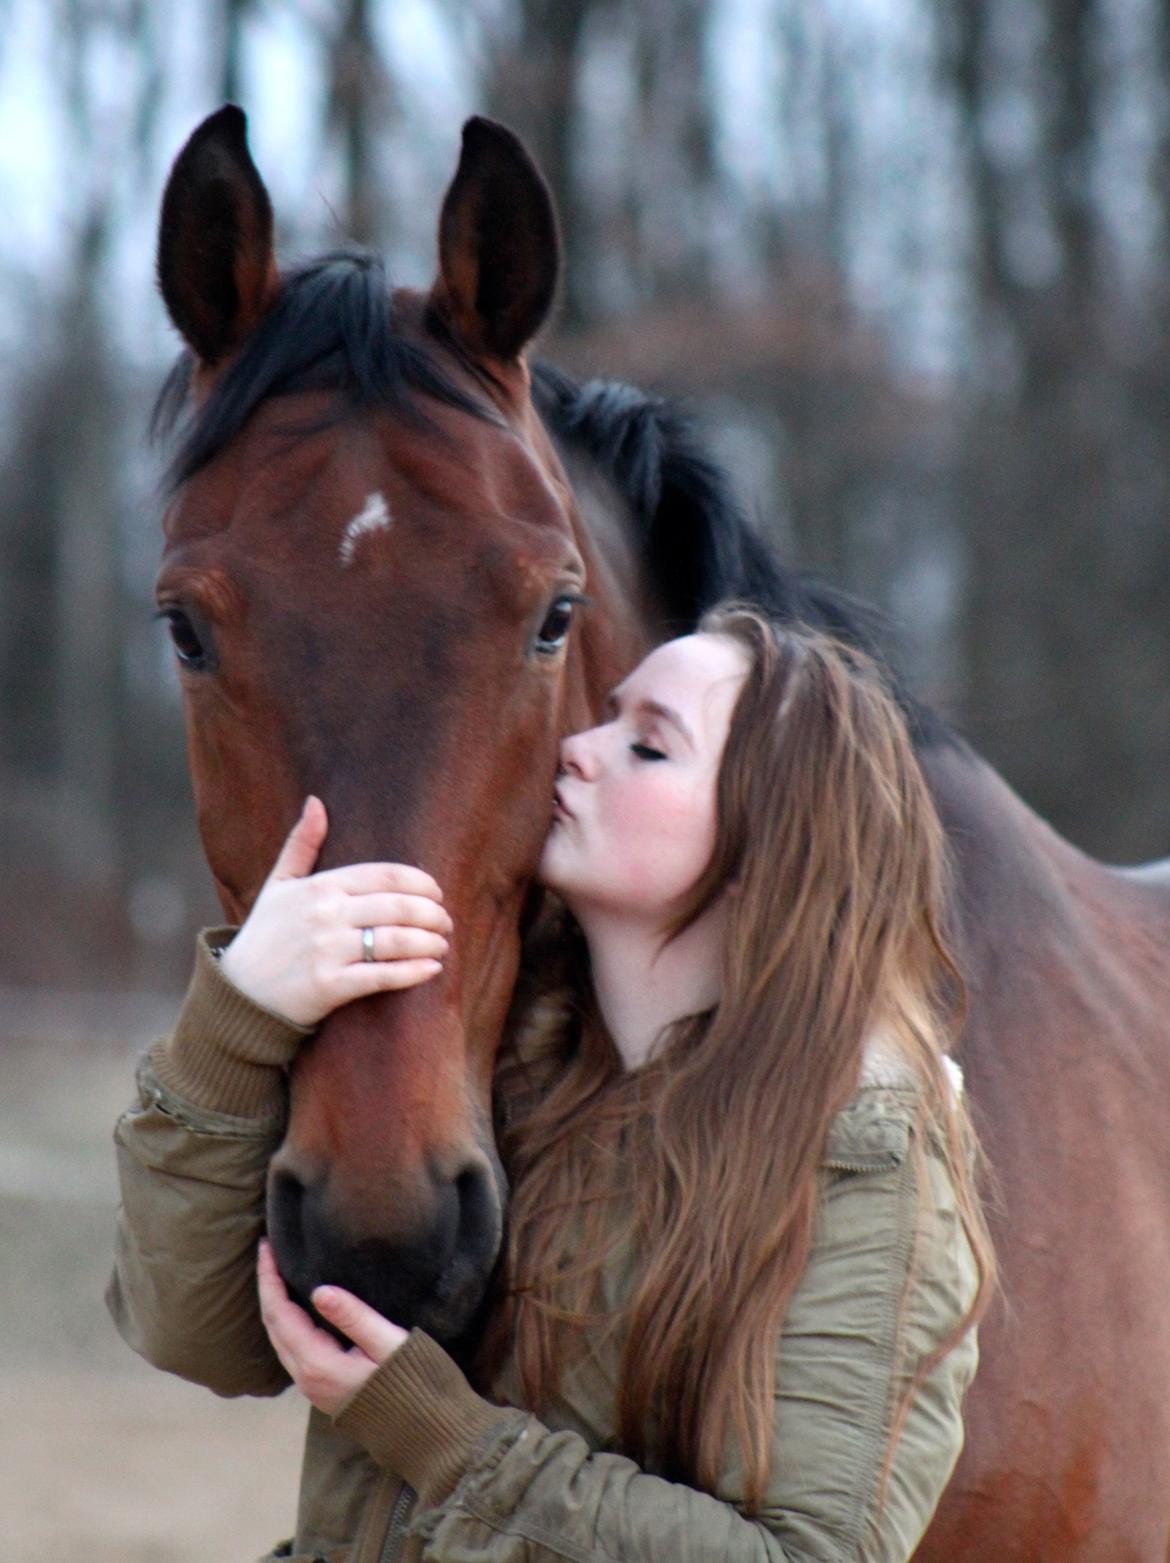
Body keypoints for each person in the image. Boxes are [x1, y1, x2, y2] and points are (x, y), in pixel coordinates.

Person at [108, 607, 994, 1563]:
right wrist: (241, 1017)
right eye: (604, 716)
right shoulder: (477, 1049)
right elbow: (196, 1334)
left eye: (648, 745)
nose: (576, 749)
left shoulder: (861, 1150)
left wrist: (450, 1444)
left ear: (771, 845)